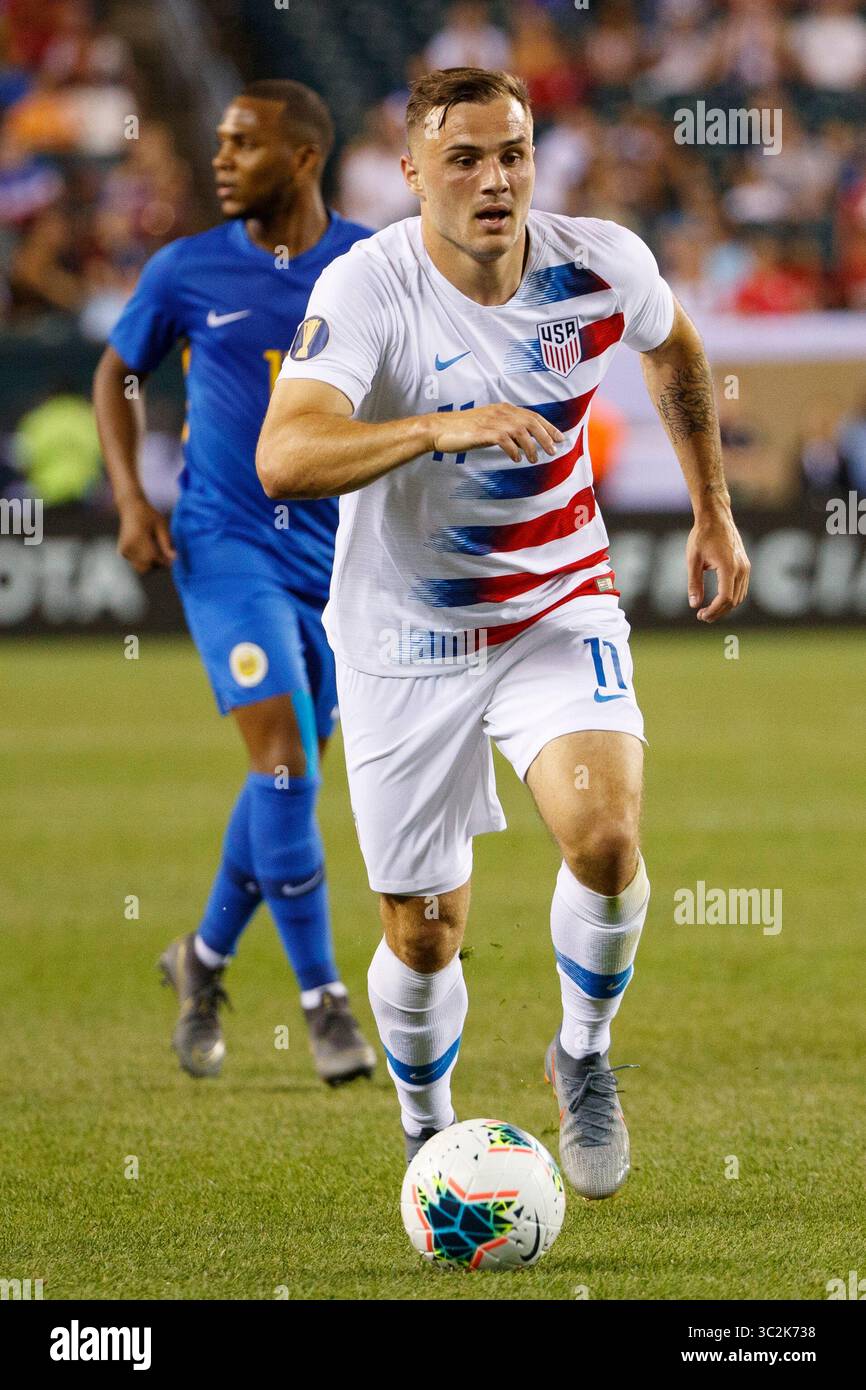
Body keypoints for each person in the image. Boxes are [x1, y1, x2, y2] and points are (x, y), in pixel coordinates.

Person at [257, 68, 750, 1198]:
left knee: (606, 839)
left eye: (513, 154)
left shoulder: (599, 262)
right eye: (465, 158)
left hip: (555, 603)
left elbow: (674, 348)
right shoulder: (367, 287)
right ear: (411, 172)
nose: (494, 180)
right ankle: (426, 1130)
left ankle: (582, 1053)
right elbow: (284, 456)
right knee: (426, 933)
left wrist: (712, 510)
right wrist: (436, 428)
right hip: (403, 633)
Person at [93, 80, 376, 1087]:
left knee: (281, 778)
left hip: (335, 563)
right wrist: (132, 497)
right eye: (218, 140)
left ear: (302, 158)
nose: (220, 159)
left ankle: (202, 958)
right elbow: (117, 374)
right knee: (287, 764)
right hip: (223, 549)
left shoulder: (370, 265)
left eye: (243, 143)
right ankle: (324, 1001)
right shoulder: (185, 269)